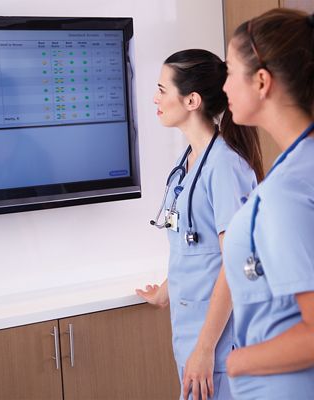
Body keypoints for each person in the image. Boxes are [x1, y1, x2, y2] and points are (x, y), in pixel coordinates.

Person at [136, 49, 263, 400]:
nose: (154, 98)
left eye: (162, 90)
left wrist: (205, 349)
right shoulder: (188, 160)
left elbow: (236, 263)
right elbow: (195, 241)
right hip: (191, 337)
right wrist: (165, 288)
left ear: (191, 100)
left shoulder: (224, 167)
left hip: (218, 348)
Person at [222, 8, 314, 399]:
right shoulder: (300, 165)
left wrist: (237, 362)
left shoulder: (286, 192)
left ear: (262, 81)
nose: (222, 86)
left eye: (228, 71)